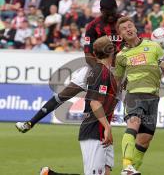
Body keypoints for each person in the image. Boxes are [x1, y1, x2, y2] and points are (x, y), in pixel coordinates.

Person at [16, 36, 117, 175]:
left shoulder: (102, 70)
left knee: (105, 172)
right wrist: (107, 126)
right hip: (96, 129)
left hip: (99, 127)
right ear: (112, 50)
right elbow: (94, 102)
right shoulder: (99, 72)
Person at [114, 16, 164, 175]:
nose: (128, 29)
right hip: (134, 95)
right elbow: (118, 81)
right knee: (133, 123)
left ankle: (131, 170)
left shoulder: (154, 46)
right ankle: (126, 166)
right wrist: (113, 100)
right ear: (120, 35)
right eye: (123, 29)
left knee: (145, 140)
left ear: (135, 27)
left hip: (153, 97)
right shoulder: (121, 56)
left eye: (130, 26)